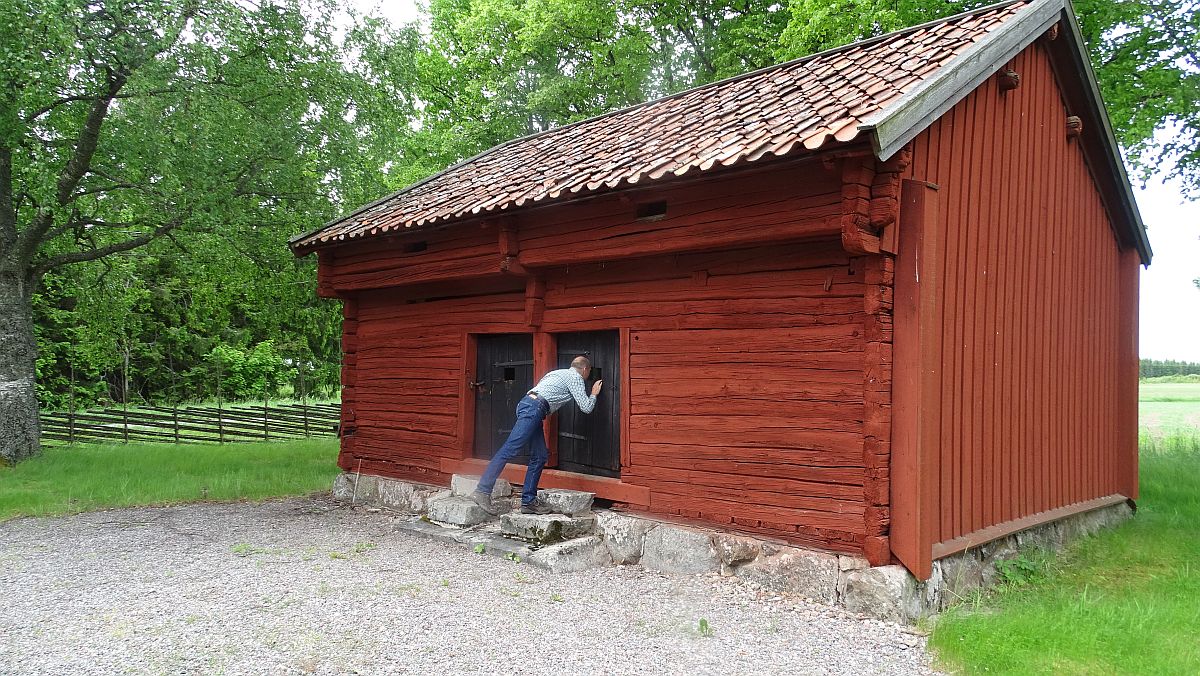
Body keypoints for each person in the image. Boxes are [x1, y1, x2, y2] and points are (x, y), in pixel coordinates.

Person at [472, 355, 603, 515]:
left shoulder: (558, 373)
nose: (588, 376)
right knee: (510, 449)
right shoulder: (575, 377)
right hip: (534, 408)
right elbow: (586, 407)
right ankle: (482, 490)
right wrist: (594, 393)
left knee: (540, 456)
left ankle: (528, 502)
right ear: (584, 369)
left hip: (528, 405)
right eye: (588, 372)